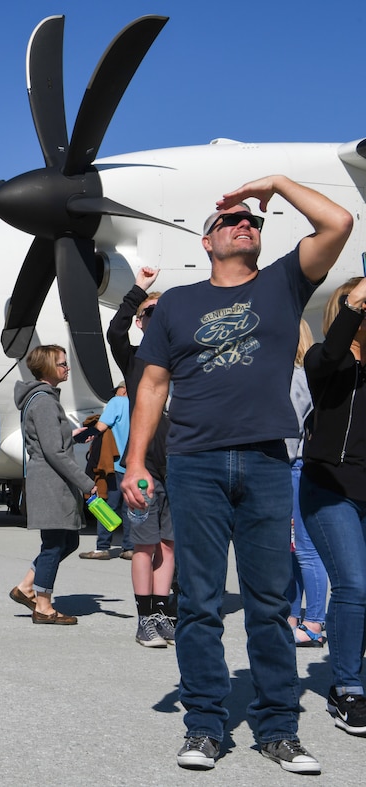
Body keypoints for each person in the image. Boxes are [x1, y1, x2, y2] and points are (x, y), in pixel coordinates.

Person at [122, 175, 352, 773]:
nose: (245, 223)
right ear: (207, 241)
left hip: (267, 460)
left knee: (269, 600)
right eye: (230, 221)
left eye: (253, 221)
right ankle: (204, 725)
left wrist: (275, 183)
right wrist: (135, 460)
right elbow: (152, 384)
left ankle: (279, 728)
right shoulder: (176, 303)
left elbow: (338, 223)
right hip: (195, 463)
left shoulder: (281, 283)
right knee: (197, 599)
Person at [299, 276, 366, 736]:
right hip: (331, 487)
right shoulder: (327, 360)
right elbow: (328, 355)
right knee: (353, 586)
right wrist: (355, 304)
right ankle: (347, 689)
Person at [106, 271, 176, 648]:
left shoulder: (184, 358)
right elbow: (114, 332)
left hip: (179, 465)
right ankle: (144, 617)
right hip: (145, 467)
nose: (156, 317)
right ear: (140, 320)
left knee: (169, 544)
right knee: (144, 545)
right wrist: (138, 291)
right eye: (151, 312)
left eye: (163, 312)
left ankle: (164, 614)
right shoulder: (134, 359)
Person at [9, 345, 97, 626]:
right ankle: (43, 605)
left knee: (67, 540)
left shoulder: (41, 399)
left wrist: (70, 434)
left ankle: (26, 587)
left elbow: (49, 441)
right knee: (55, 544)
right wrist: (85, 482)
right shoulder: (45, 401)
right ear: (47, 367)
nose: (66, 368)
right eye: (61, 364)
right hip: (51, 481)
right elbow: (53, 451)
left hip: (49, 478)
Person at [286, 320, 328, 647]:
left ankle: (314, 621)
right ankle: (293, 615)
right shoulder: (304, 375)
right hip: (296, 466)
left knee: (305, 549)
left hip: (293, 467)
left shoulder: (294, 377)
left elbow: (289, 432)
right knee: (293, 549)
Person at [78, 382, 135, 560]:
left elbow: (101, 427)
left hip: (116, 465)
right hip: (136, 466)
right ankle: (130, 548)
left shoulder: (118, 402)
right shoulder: (140, 404)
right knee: (130, 508)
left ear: (124, 389)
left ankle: (103, 547)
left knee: (107, 505)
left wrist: (78, 437)